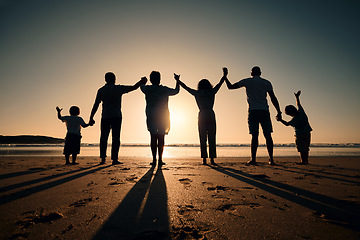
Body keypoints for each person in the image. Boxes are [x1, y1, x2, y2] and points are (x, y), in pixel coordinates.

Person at [224, 66, 282, 165]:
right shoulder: (266, 82)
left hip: (253, 111)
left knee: (254, 135)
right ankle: (271, 159)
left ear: (251, 73)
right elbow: (273, 98)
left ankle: (254, 159)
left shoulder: (247, 81)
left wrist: (225, 77)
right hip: (264, 110)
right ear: (260, 73)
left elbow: (230, 87)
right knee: (268, 135)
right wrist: (279, 111)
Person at [89, 72, 147, 165]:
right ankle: (114, 159)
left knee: (104, 137)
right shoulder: (118, 88)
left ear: (105, 79)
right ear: (114, 79)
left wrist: (91, 117)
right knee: (116, 138)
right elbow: (133, 87)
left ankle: (103, 158)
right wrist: (142, 81)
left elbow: (96, 104)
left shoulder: (101, 90)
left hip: (105, 116)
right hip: (116, 116)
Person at [175, 68, 226, 165]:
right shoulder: (212, 92)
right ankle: (212, 159)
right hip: (210, 114)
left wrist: (178, 80)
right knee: (212, 137)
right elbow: (220, 84)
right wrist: (224, 75)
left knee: (202, 137)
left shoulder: (197, 93)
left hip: (202, 114)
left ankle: (204, 159)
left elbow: (186, 88)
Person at [140, 71, 179, 166]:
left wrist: (143, 81)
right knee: (161, 137)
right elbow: (176, 91)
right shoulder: (164, 89)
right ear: (159, 79)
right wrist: (177, 81)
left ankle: (154, 160)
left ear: (151, 79)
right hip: (163, 116)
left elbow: (141, 86)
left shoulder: (148, 89)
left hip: (151, 115)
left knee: (153, 137)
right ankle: (160, 159)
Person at [277, 91, 312, 164]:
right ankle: (306, 161)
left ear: (290, 114)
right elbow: (298, 104)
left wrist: (280, 120)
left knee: (301, 148)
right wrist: (297, 97)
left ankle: (303, 161)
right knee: (306, 148)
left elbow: (286, 124)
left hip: (299, 135)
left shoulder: (294, 120)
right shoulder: (301, 112)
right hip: (307, 133)